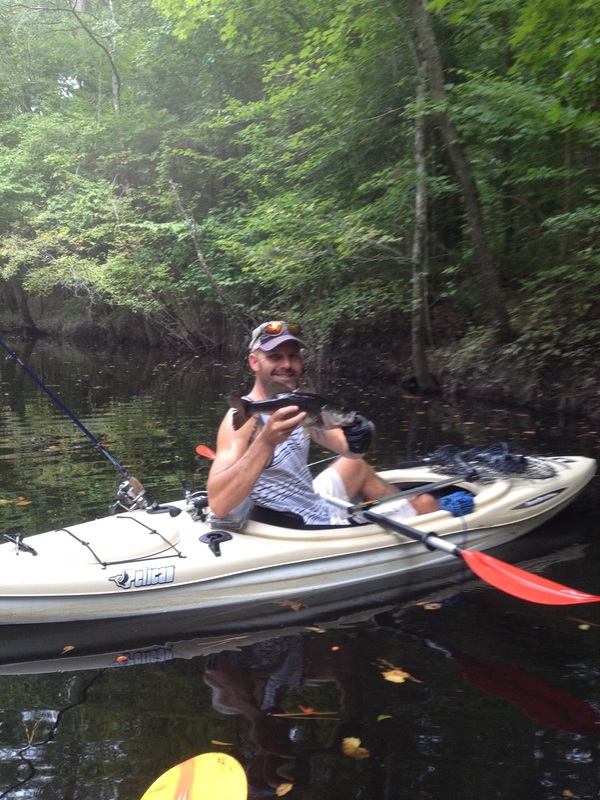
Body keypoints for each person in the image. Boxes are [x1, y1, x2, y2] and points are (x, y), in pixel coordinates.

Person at [207, 320, 440, 526]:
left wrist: (359, 434)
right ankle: (408, 517)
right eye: (275, 357)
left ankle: (397, 510)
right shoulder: (243, 420)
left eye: (293, 356)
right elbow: (218, 505)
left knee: (354, 465)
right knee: (427, 504)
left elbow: (350, 450)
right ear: (254, 362)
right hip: (300, 523)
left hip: (309, 499)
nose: (287, 364)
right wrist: (266, 442)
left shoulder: (300, 403)